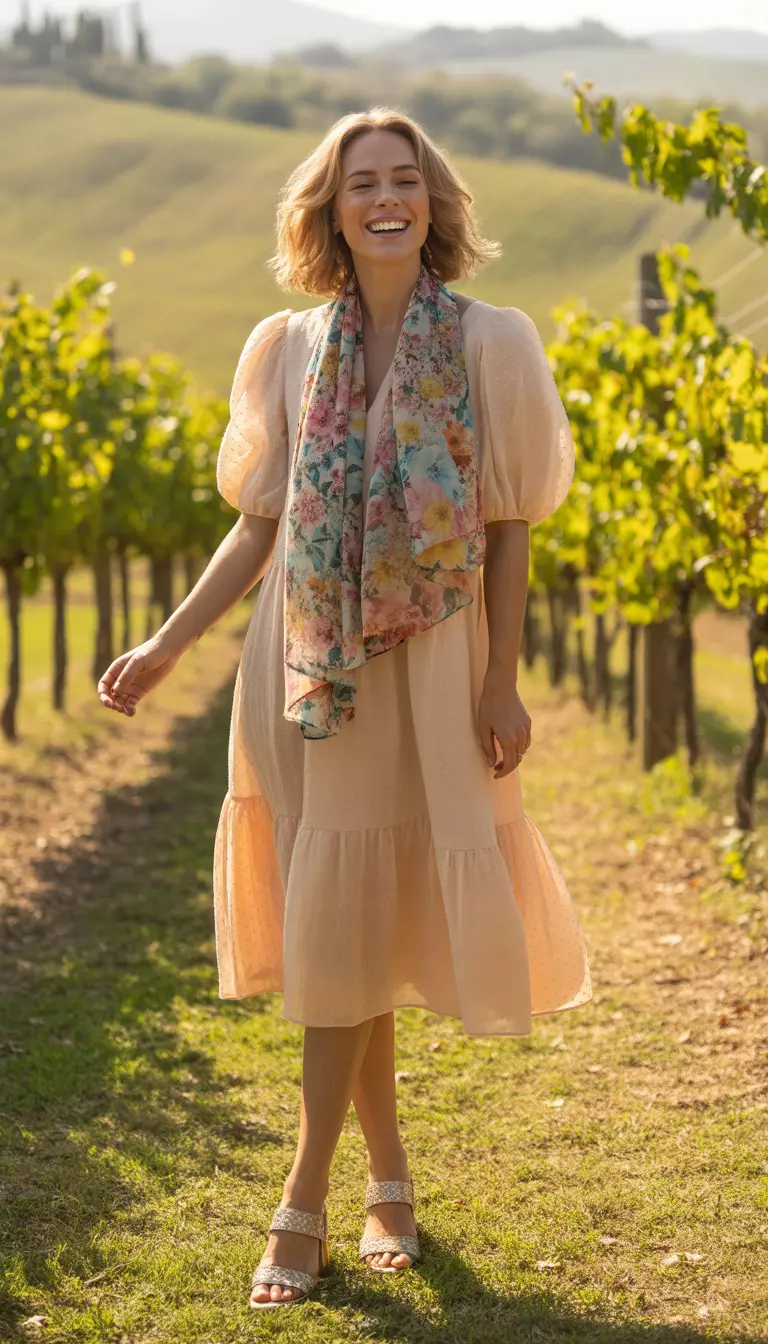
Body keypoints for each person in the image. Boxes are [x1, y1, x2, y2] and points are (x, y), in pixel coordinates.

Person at [98, 106, 591, 1312]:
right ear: (329, 206)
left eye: (405, 180)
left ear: (435, 203)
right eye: (362, 181)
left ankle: (302, 1198)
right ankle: (387, 1181)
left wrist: (501, 677)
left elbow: (509, 525)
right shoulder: (283, 348)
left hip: (431, 659)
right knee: (343, 927)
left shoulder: (490, 342)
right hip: (309, 663)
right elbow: (259, 523)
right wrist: (169, 641)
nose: (387, 199)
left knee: (359, 922)